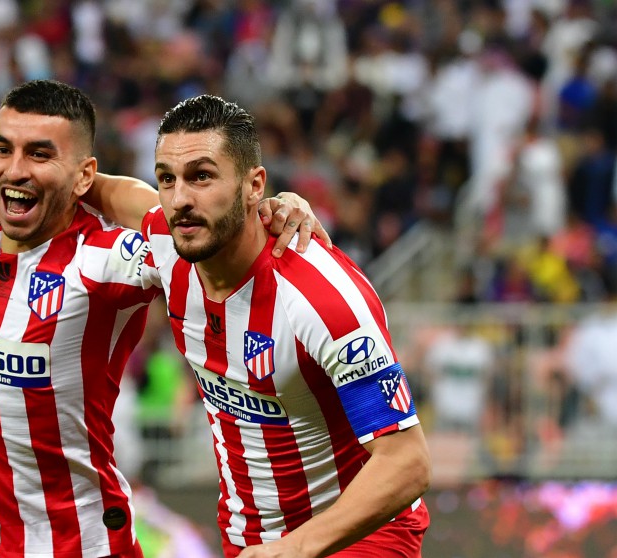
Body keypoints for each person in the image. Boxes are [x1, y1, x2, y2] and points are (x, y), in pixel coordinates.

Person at [0, 6, 327, 557]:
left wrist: (268, 208)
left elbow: (202, 231)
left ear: (85, 175)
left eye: (40, 155)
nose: (14, 170)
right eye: (3, 149)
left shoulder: (108, 260)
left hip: (78, 542)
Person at [88, 95, 432, 557]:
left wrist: (295, 548)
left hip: (359, 538)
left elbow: (407, 461)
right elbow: (120, 197)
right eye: (167, 179)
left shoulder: (319, 297)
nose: (180, 199)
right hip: (251, 543)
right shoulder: (171, 245)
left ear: (255, 187)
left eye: (202, 176)